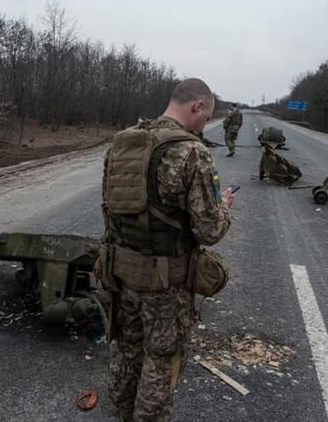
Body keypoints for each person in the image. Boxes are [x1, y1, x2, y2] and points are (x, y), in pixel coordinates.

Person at [98, 78, 234, 421]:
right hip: (166, 284)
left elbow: (109, 211)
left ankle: (122, 410)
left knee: (127, 347)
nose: (203, 125)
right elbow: (209, 230)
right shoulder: (191, 152)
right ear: (197, 106)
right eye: (206, 117)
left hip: (121, 272)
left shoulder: (122, 143)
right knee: (161, 358)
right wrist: (224, 207)